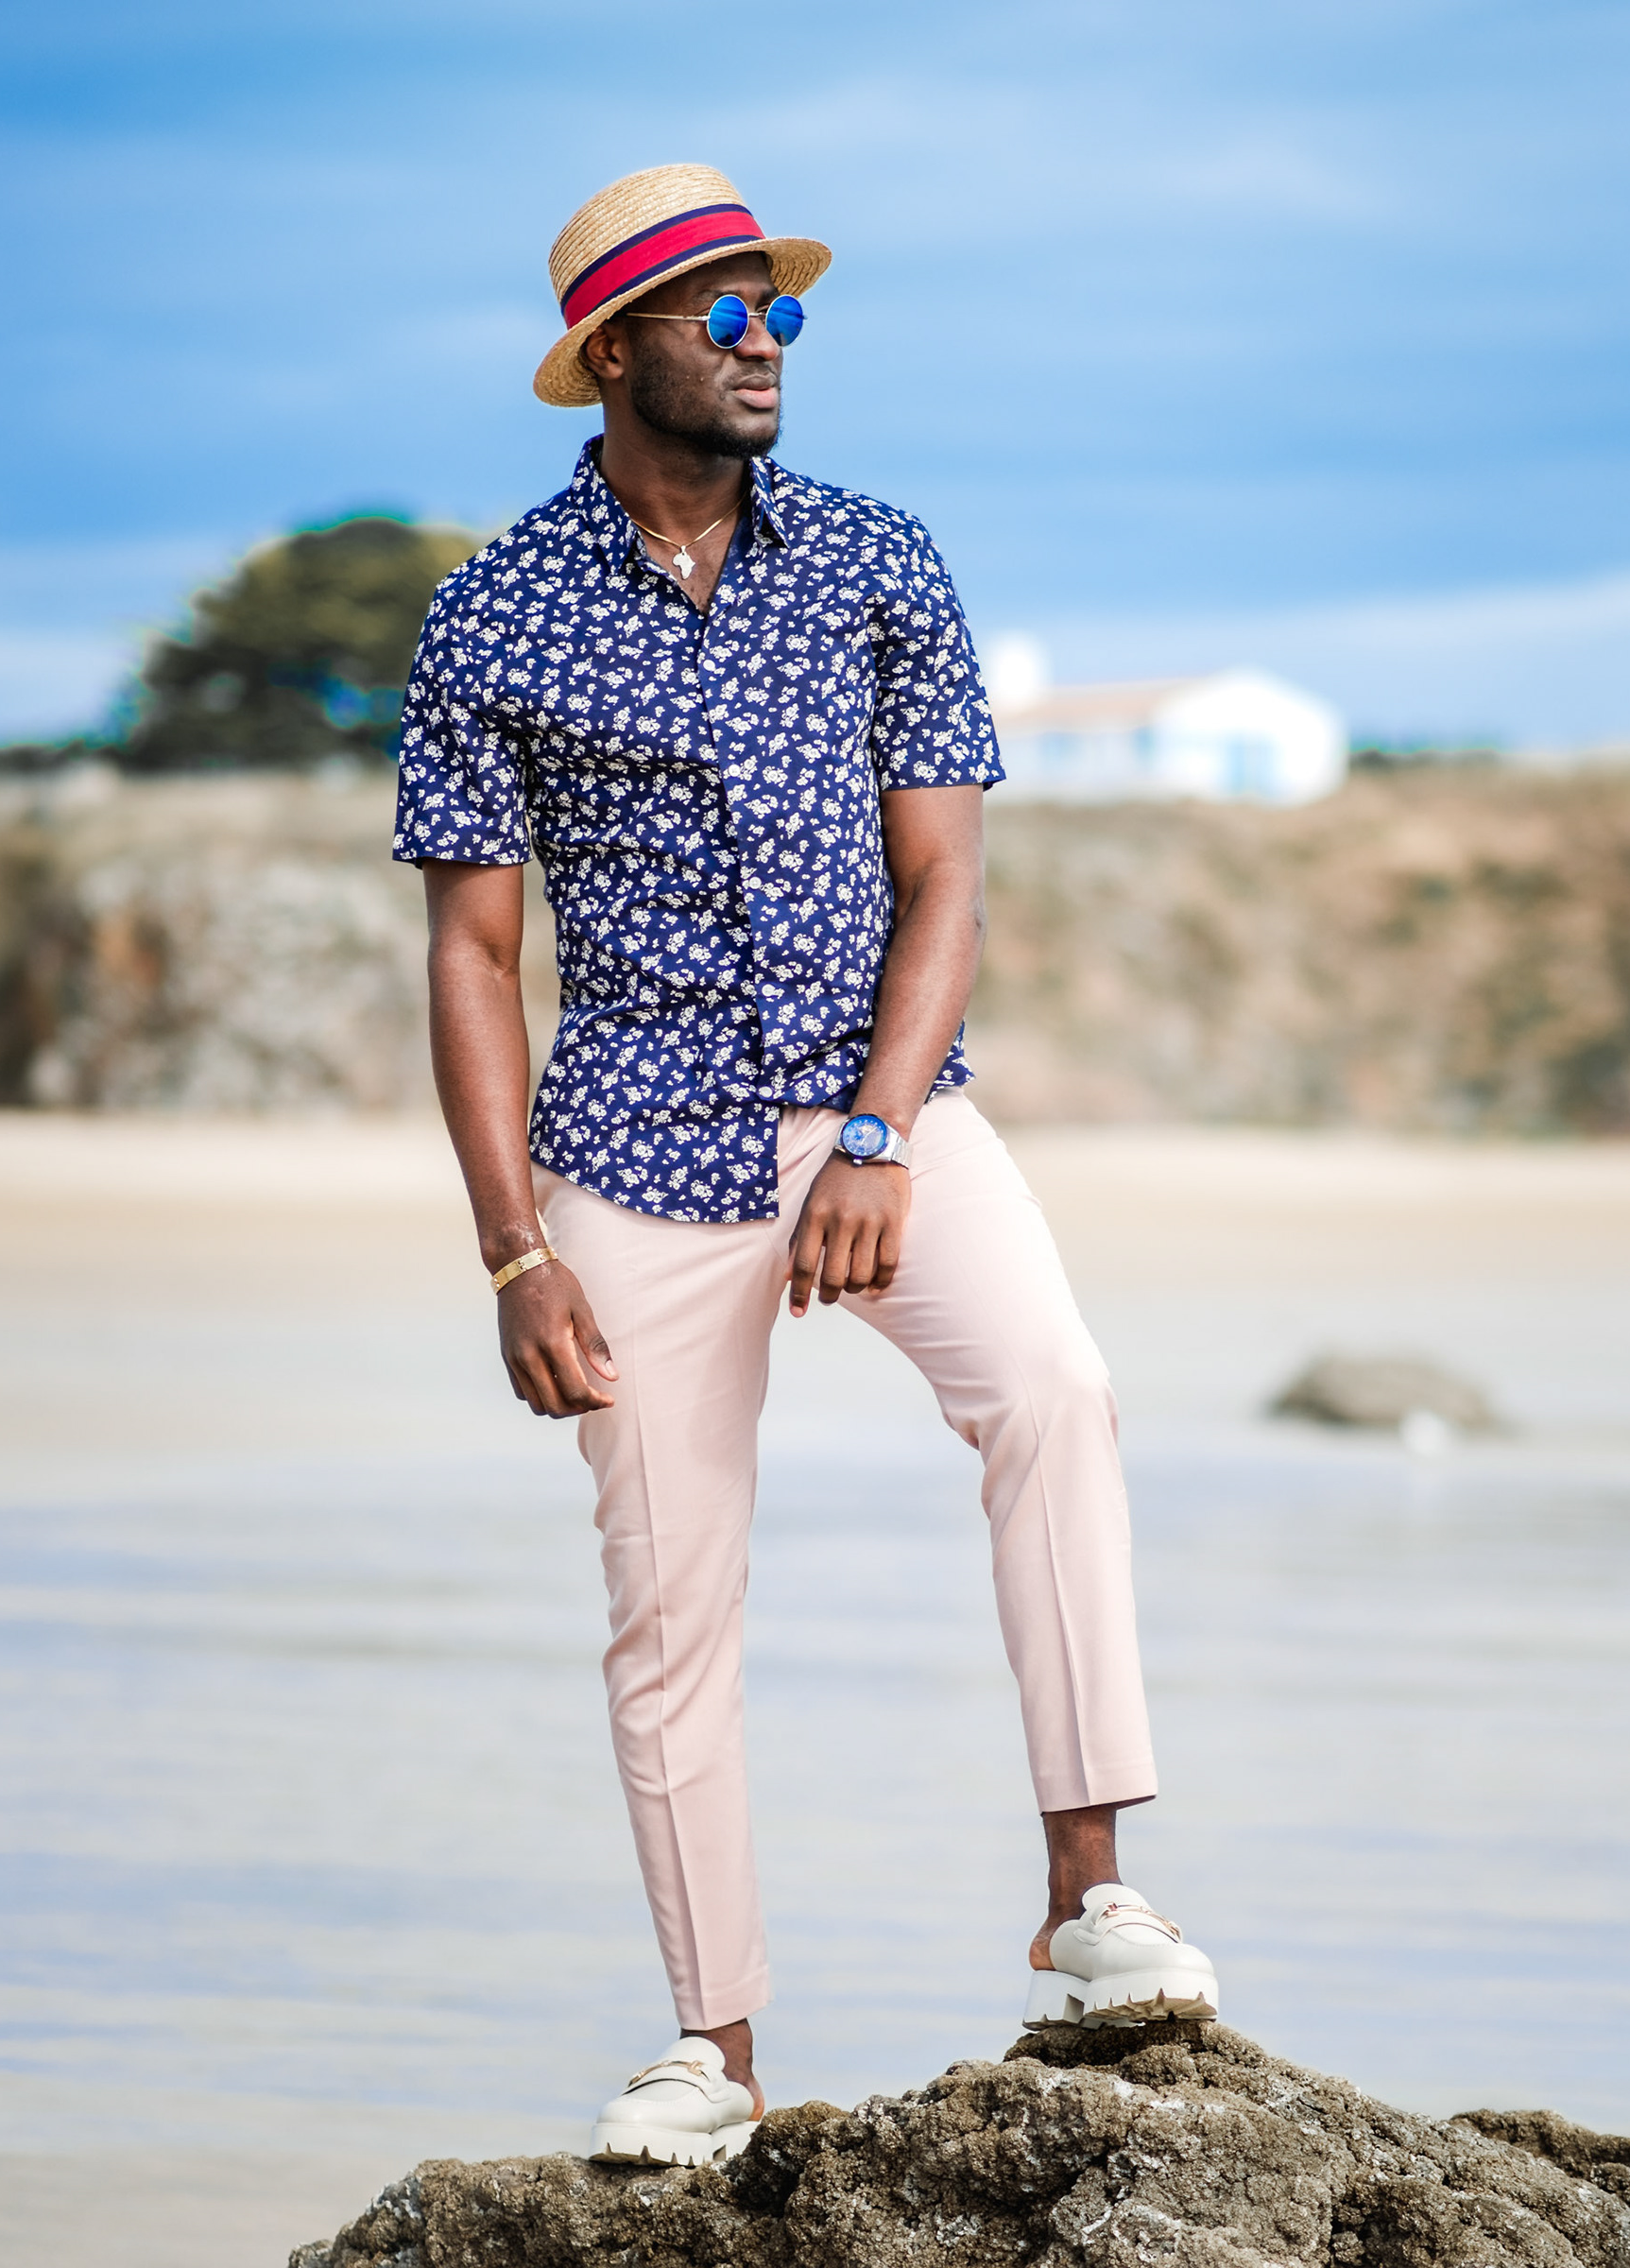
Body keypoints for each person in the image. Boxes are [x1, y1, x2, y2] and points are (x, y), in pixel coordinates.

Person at [393, 163, 1218, 2169]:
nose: (767, 345)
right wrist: (513, 1253)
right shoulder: (491, 611)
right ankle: (716, 2055)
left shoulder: (877, 559)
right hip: (632, 1149)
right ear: (615, 352)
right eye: (725, 313)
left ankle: (1091, 1898)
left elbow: (947, 883)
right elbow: (475, 956)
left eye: (784, 313)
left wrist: (875, 1130)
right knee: (669, 1598)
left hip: (884, 1112)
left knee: (1057, 1391)